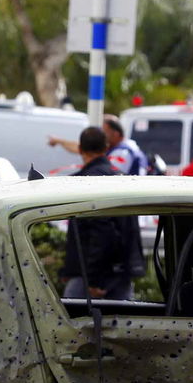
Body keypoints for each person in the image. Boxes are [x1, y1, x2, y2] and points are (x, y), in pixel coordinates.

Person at [59, 126, 143, 301]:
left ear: (80, 149)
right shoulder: (123, 179)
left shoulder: (83, 182)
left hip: (90, 276)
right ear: (106, 148)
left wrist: (94, 280)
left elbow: (100, 232)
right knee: (123, 325)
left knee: (73, 324)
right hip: (121, 274)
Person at [48, 114, 147, 176]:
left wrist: (59, 141)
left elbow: (108, 175)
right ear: (105, 147)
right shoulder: (124, 148)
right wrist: (59, 141)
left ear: (116, 134)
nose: (102, 133)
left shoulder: (122, 153)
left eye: (105, 131)